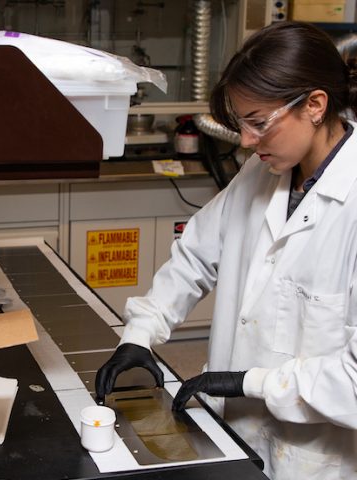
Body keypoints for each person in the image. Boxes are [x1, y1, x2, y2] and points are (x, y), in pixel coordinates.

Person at [95, 21, 357, 480]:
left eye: (259, 123)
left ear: (315, 105)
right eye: (242, 124)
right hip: (230, 434)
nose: (248, 141)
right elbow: (195, 255)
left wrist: (249, 382)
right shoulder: (264, 173)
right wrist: (140, 333)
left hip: (313, 460)